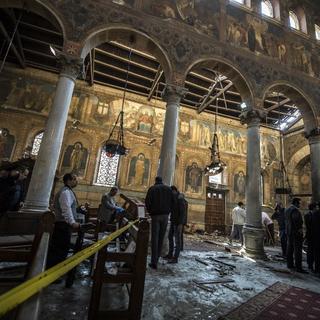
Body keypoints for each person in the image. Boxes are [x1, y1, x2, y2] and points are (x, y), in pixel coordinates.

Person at [47, 173, 81, 268]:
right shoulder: (65, 192)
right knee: (59, 249)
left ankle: (55, 270)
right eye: (74, 179)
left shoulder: (68, 191)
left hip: (63, 224)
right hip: (62, 225)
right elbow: (66, 209)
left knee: (62, 248)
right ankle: (53, 272)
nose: (76, 181)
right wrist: (72, 222)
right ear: (69, 180)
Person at [145, 176, 174, 269]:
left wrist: (150, 212)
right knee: (161, 237)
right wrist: (168, 211)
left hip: (155, 216)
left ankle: (154, 262)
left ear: (155, 181)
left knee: (155, 238)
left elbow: (147, 202)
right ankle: (157, 258)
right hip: (165, 216)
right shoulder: (168, 189)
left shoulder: (152, 189)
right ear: (162, 181)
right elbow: (173, 201)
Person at [164, 186, 187, 264]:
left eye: (171, 192)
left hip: (178, 223)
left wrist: (181, 224)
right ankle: (170, 254)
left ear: (174, 191)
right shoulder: (174, 198)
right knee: (170, 236)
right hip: (173, 221)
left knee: (177, 241)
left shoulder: (180, 199)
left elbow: (183, 213)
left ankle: (175, 258)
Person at [285, 198, 307, 273]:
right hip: (295, 233)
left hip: (289, 232)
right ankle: (298, 267)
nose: (300, 205)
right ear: (296, 203)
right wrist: (299, 229)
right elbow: (296, 221)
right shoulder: (295, 210)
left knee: (289, 248)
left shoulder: (287, 209)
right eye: (299, 203)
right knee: (297, 250)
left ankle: (290, 264)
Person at [304, 203, 316, 271]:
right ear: (313, 208)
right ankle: (310, 264)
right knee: (310, 250)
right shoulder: (308, 215)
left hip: (312, 235)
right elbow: (309, 226)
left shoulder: (311, 215)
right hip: (311, 235)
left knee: (311, 250)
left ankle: (311, 264)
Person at [311, 202, 320, 276]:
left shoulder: (314, 214)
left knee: (316, 253)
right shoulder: (316, 213)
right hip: (316, 235)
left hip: (315, 235)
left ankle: (317, 268)